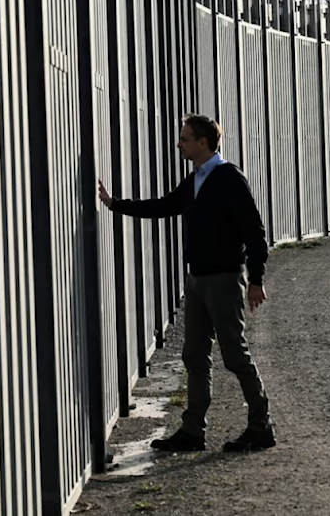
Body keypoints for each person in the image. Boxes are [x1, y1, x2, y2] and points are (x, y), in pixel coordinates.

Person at [98, 114, 276, 453]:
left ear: (202, 143)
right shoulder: (194, 181)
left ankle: (261, 426)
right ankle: (193, 430)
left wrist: (256, 279)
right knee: (194, 354)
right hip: (197, 280)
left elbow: (255, 233)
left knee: (235, 356)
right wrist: (116, 205)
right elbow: (164, 205)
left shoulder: (228, 178)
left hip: (224, 280)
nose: (180, 144)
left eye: (184, 139)